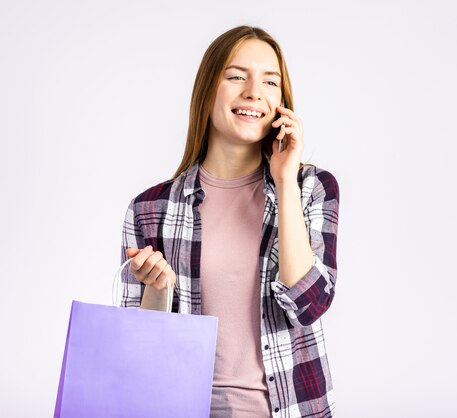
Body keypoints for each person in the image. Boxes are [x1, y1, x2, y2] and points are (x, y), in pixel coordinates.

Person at [119, 25, 339, 418]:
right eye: (237, 76)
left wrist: (285, 179)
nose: (254, 91)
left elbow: (308, 304)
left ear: (282, 103)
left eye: (270, 82)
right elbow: (142, 351)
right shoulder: (151, 208)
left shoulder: (312, 188)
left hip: (293, 409)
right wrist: (156, 287)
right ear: (207, 92)